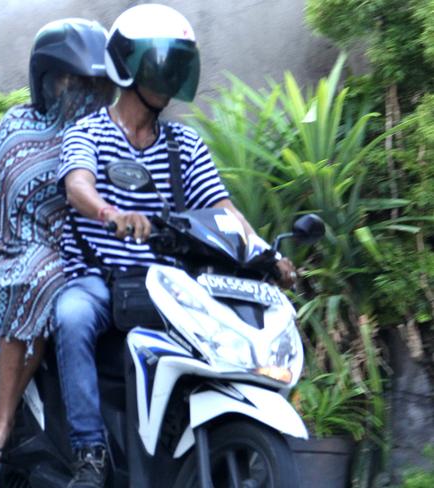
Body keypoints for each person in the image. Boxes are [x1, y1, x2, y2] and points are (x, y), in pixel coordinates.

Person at [54, 4, 297, 487]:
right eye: (159, 64)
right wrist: (112, 214)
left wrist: (269, 254)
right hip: (100, 278)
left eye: (176, 65)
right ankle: (90, 452)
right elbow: (77, 185)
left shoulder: (184, 145)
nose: (168, 77)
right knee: (73, 318)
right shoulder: (88, 133)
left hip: (170, 286)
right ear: (127, 65)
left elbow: (224, 211)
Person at [0, 18, 115, 470]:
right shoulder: (18, 125)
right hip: (13, 244)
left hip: (90, 250)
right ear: (47, 79)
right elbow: (3, 204)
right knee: (35, 278)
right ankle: (1, 422)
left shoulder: (107, 132)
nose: (84, 93)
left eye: (95, 84)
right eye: (73, 81)